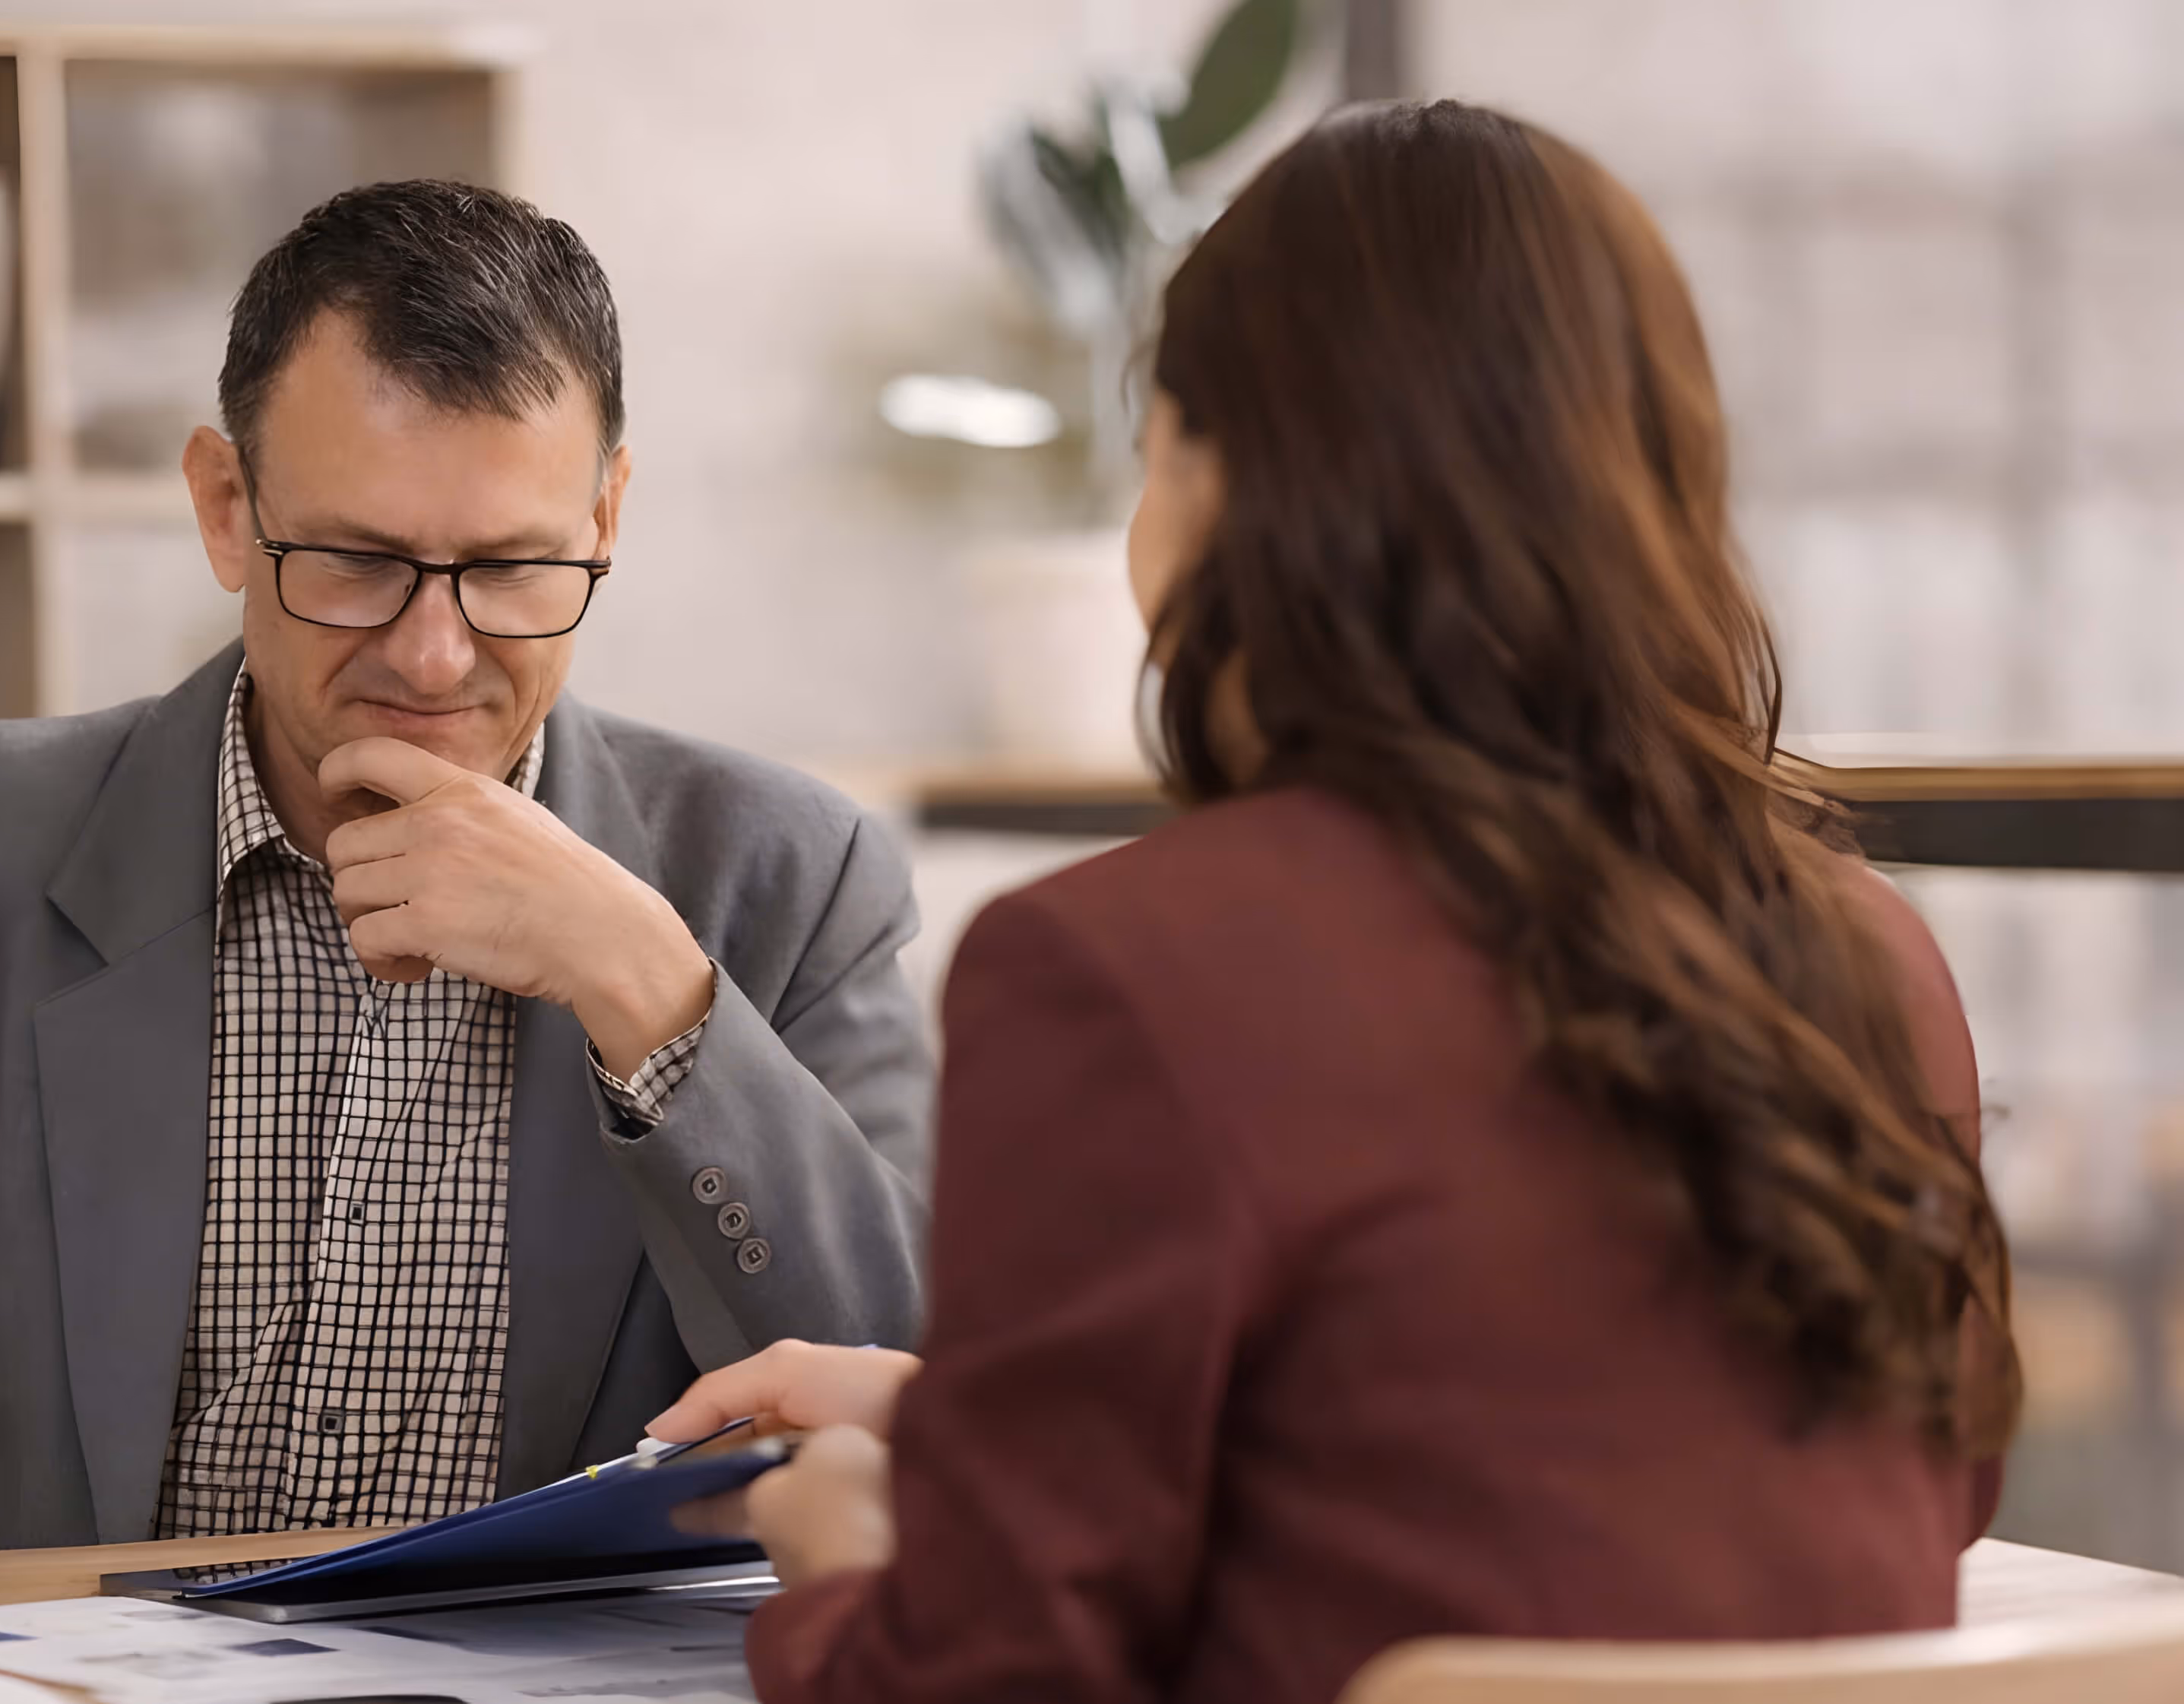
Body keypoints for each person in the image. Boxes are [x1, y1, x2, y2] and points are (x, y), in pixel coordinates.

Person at [650, 101, 2022, 1702]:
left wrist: (855, 1568)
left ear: (1222, 477)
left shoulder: (1119, 969)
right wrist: (983, 1427)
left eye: (1152, 438)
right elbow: (1910, 1482)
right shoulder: (1873, 953)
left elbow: (990, 1674)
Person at [0, 182, 931, 1605]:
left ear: (605, 516)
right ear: (226, 507)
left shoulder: (792, 876)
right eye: (359, 562)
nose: (436, 655)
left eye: (508, 567)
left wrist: (648, 993)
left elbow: (926, 1400)